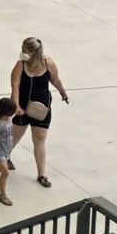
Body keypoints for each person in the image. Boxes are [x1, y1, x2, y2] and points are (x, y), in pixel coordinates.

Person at [10, 37, 71, 189]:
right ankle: (4, 157)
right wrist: (16, 105)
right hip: (22, 108)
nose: (22, 53)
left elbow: (55, 80)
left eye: (26, 51)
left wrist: (63, 93)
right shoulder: (20, 65)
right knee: (15, 136)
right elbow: (15, 86)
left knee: (40, 138)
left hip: (41, 108)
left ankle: (41, 174)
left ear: (34, 52)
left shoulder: (48, 63)